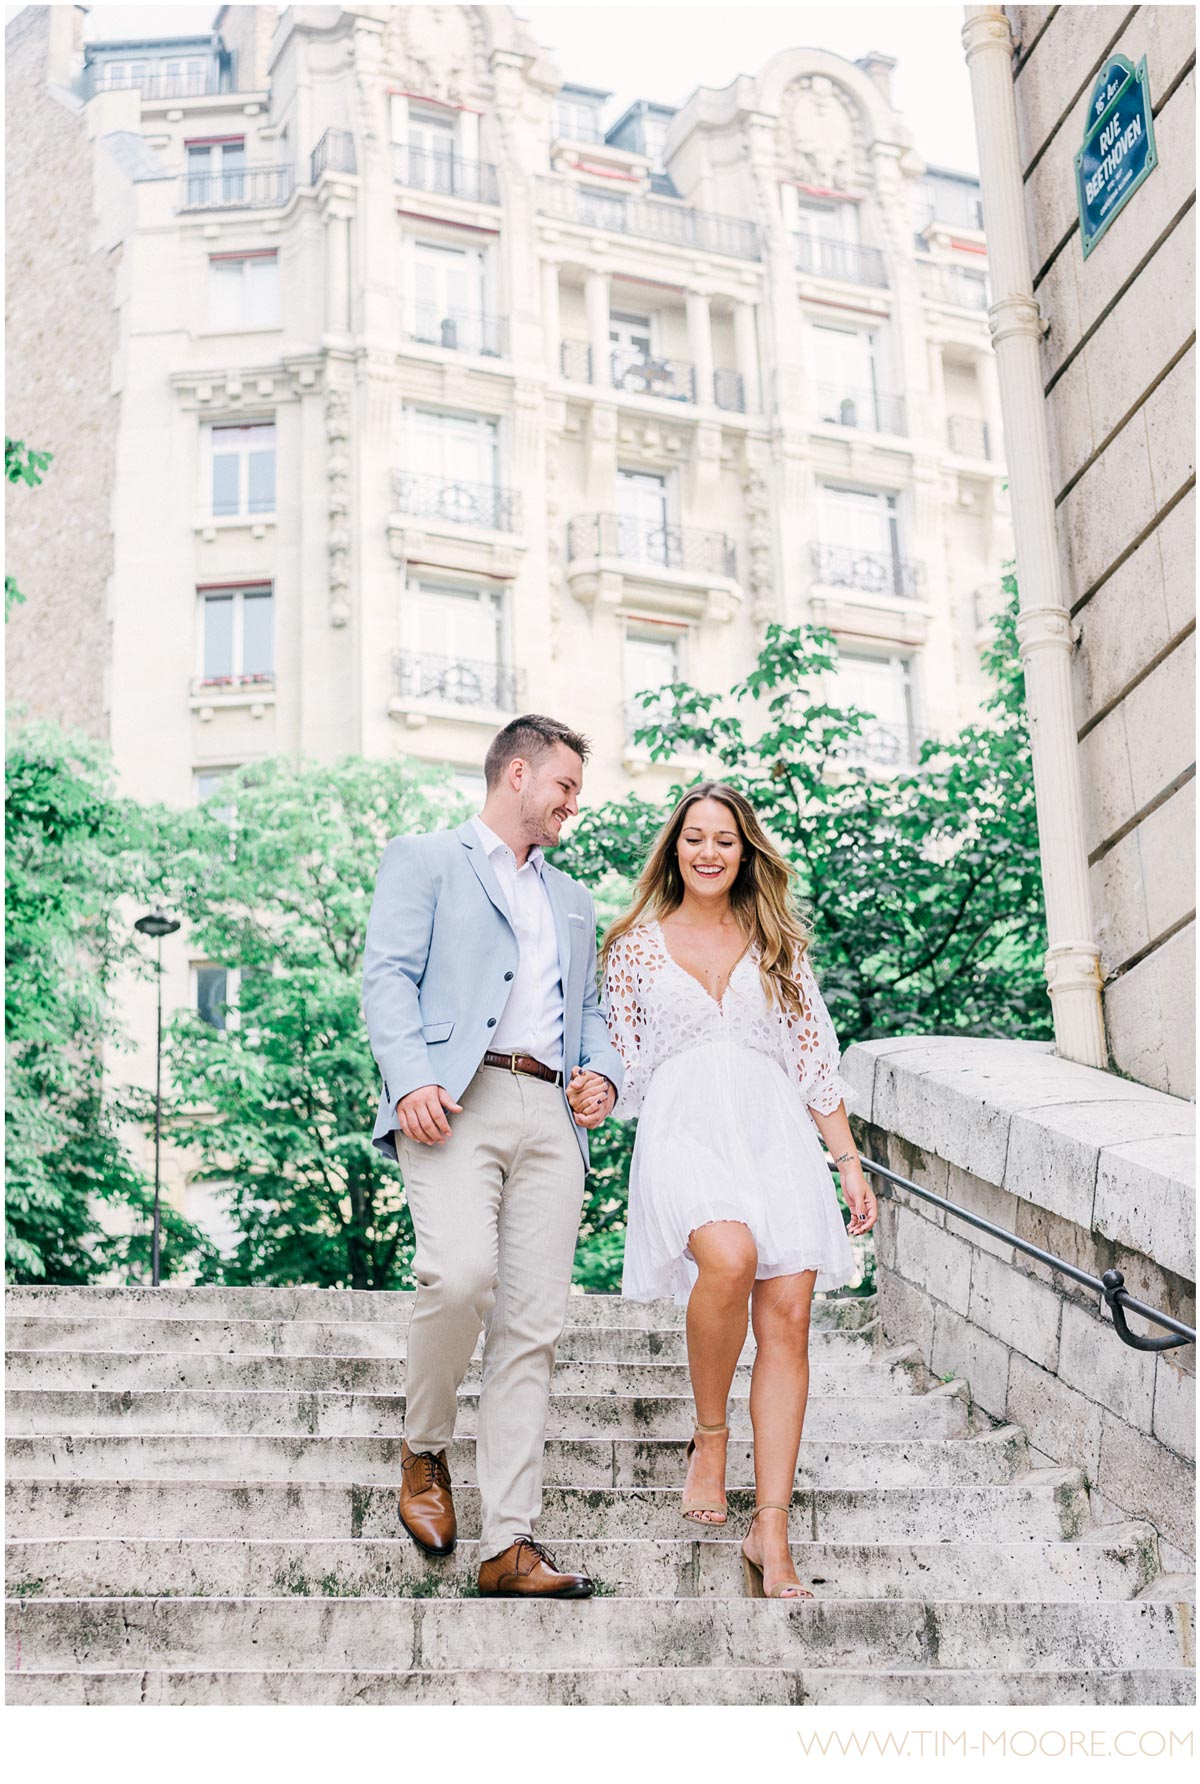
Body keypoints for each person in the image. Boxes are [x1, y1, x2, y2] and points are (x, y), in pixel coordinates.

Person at [576, 780, 877, 1600]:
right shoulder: (632, 944)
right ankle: (710, 1438)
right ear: (674, 847)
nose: (709, 852)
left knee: (789, 1320)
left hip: (773, 1131)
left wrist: (847, 1160)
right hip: (684, 1128)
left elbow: (815, 1060)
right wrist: (597, 1093)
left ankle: (769, 1532)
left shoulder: (778, 942)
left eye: (726, 840)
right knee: (729, 1254)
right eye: (695, 837)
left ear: (747, 854)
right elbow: (622, 1058)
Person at [361, 714, 624, 1598]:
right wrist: (408, 1080)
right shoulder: (426, 859)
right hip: (451, 1100)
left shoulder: (575, 898)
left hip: (551, 1111)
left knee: (532, 1327)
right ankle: (424, 1447)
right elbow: (388, 974)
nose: (571, 807)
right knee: (459, 1276)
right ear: (518, 774)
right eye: (564, 788)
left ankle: (510, 1544)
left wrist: (604, 1083)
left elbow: (592, 1018)